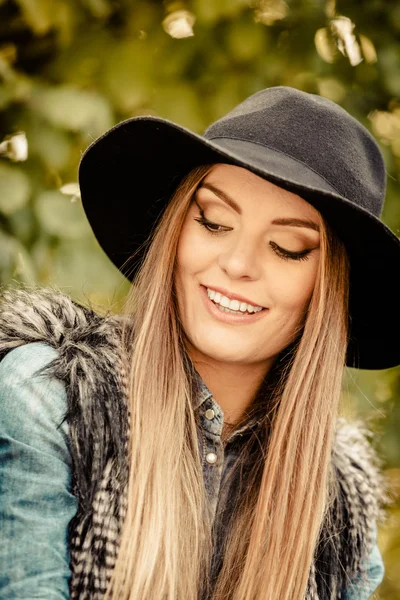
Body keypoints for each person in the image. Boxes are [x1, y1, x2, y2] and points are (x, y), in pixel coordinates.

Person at [0, 86, 397, 600]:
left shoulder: (342, 503)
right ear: (176, 232)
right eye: (213, 222)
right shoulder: (47, 399)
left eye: (288, 248)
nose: (237, 264)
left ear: (328, 292)